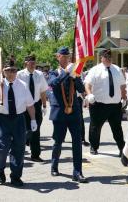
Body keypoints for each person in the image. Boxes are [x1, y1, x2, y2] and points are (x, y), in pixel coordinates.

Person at [0, 57, 37, 187]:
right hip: (2, 119)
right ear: (3, 71)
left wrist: (33, 119)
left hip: (19, 119)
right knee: (2, 146)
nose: (11, 73)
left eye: (13, 70)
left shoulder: (23, 85)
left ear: (16, 71)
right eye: (8, 70)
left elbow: (30, 105)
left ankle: (16, 176)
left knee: (19, 147)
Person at [48, 47, 87, 183]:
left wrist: (75, 77)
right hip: (59, 112)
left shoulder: (74, 72)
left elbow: (82, 89)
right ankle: (54, 165)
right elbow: (53, 84)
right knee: (58, 141)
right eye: (63, 57)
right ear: (58, 57)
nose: (66, 59)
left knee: (77, 142)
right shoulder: (54, 72)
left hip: (74, 112)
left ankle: (77, 172)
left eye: (68, 57)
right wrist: (66, 72)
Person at [84, 49, 126, 156]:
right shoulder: (95, 70)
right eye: (106, 57)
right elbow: (87, 84)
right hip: (99, 104)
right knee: (95, 127)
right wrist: (89, 94)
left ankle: (122, 148)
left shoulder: (117, 69)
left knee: (117, 128)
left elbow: (122, 85)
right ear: (101, 58)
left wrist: (124, 98)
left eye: (110, 57)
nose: (108, 59)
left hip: (115, 105)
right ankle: (94, 146)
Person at [17, 54, 48, 162]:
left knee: (36, 129)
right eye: (31, 63)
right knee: (23, 130)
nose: (33, 64)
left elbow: (43, 91)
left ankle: (35, 155)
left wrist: (44, 105)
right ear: (26, 63)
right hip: (23, 105)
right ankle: (19, 152)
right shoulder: (19, 75)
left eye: (34, 63)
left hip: (35, 104)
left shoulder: (39, 74)